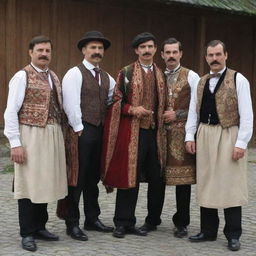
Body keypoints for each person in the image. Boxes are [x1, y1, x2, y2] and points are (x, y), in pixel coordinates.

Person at [185, 40, 253, 251]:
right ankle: (208, 230)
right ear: (206, 58)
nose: (214, 59)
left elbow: (247, 114)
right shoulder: (201, 81)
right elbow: (192, 111)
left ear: (225, 55)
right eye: (210, 55)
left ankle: (233, 233)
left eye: (218, 54)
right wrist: (190, 135)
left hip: (229, 133)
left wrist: (241, 143)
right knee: (207, 182)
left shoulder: (239, 79)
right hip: (205, 133)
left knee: (230, 184)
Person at [4, 35, 68, 252]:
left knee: (46, 182)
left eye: (47, 50)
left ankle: (40, 226)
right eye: (40, 50)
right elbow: (10, 111)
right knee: (29, 184)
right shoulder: (22, 76)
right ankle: (27, 232)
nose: (44, 54)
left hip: (52, 133)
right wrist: (15, 143)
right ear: (30, 52)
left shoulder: (54, 77)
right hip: (30, 134)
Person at [101, 32, 166, 238]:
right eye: (142, 47)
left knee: (156, 178)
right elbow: (116, 101)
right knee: (130, 177)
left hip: (155, 134)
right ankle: (123, 222)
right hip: (133, 134)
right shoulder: (126, 72)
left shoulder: (160, 74)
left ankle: (151, 221)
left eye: (150, 46)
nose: (147, 50)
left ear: (155, 49)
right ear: (137, 50)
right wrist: (132, 109)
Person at [62, 31, 115, 241]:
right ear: (84, 50)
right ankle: (72, 222)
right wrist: (78, 127)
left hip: (99, 131)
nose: (97, 51)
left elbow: (112, 100)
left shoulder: (106, 77)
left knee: (93, 178)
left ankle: (92, 219)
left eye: (100, 48)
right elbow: (70, 102)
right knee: (77, 178)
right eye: (93, 48)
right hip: (81, 131)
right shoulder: (74, 73)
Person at [161, 38, 199, 238]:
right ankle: (152, 219)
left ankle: (182, 222)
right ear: (162, 55)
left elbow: (197, 106)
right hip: (159, 135)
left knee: (182, 182)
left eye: (174, 52)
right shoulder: (158, 75)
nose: (171, 56)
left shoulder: (191, 76)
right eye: (167, 52)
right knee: (156, 179)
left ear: (181, 53)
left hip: (181, 134)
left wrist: (178, 115)